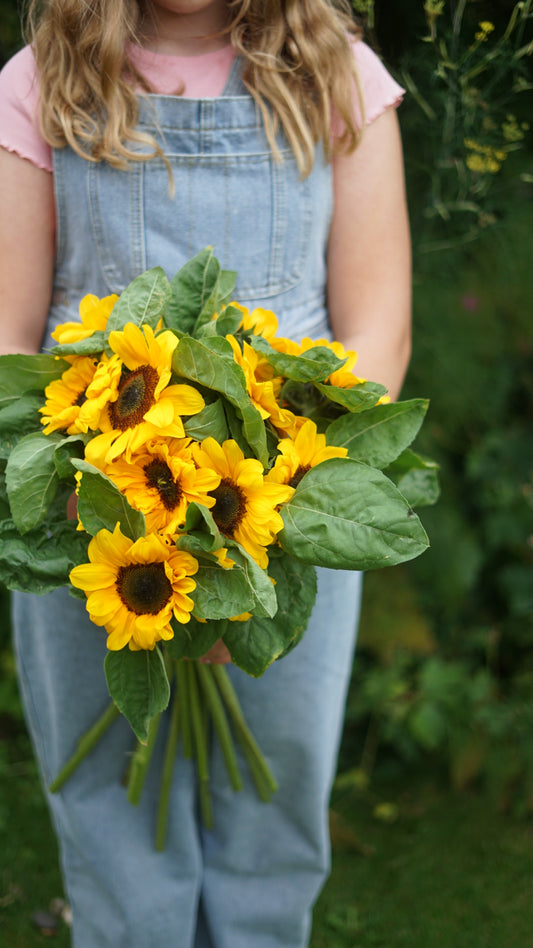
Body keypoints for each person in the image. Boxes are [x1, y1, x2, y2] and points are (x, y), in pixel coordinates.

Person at [0, 1, 411, 946]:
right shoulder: (44, 80)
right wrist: (86, 500)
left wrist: (260, 531)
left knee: (277, 775)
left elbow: (377, 323)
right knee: (108, 790)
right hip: (91, 509)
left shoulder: (335, 77)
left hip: (281, 510)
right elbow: (14, 337)